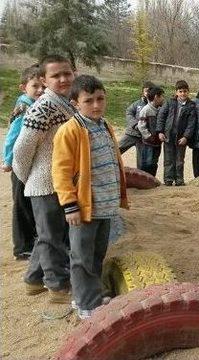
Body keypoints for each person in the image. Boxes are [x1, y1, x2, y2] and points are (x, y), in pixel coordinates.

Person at [52, 75, 128, 319]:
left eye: (100, 99)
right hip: (84, 208)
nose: (96, 105)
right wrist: (70, 205)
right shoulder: (70, 131)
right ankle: (86, 304)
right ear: (75, 103)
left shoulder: (104, 125)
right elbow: (61, 172)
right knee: (82, 257)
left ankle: (91, 295)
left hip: (105, 205)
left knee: (97, 254)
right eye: (88, 101)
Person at [12, 54, 75, 303]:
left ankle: (33, 279)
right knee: (51, 237)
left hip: (60, 182)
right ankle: (57, 286)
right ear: (44, 80)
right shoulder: (43, 107)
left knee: (50, 235)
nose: (62, 79)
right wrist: (28, 177)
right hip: (44, 184)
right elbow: (22, 149)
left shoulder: (67, 103)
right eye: (55, 75)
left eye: (66, 73)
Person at [1, 65, 44, 260]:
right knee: (21, 204)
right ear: (23, 87)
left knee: (29, 202)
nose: (40, 90)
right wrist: (7, 160)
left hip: (30, 164)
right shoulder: (24, 106)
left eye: (42, 86)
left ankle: (32, 239)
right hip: (19, 164)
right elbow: (12, 136)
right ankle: (22, 247)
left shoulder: (35, 105)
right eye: (35, 86)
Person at [156, 80, 197, 186]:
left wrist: (186, 137)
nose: (183, 94)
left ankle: (179, 179)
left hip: (181, 137)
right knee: (168, 159)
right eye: (180, 91)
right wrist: (160, 132)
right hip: (168, 136)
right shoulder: (169, 102)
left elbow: (191, 124)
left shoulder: (191, 105)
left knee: (179, 160)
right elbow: (161, 116)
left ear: (188, 92)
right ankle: (168, 179)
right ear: (176, 92)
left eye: (185, 91)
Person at [119, 81, 154, 154]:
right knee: (116, 150)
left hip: (144, 137)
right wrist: (135, 124)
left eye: (150, 91)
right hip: (132, 133)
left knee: (142, 160)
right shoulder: (137, 104)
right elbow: (129, 113)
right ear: (143, 92)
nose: (148, 93)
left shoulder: (155, 106)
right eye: (146, 91)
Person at [137, 86, 165, 177]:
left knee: (154, 163)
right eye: (162, 96)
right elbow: (141, 126)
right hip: (148, 143)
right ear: (156, 97)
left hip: (157, 143)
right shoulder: (146, 110)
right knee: (146, 163)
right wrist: (149, 136)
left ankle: (152, 180)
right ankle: (144, 181)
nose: (163, 99)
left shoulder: (160, 109)